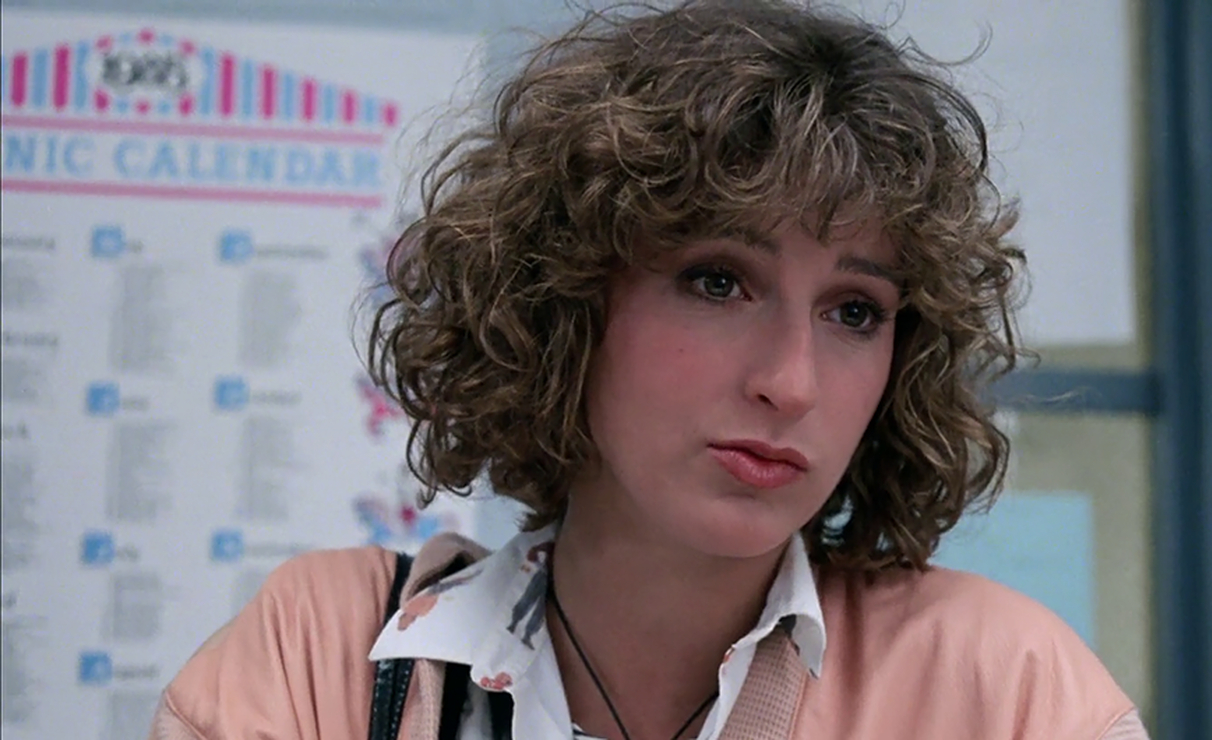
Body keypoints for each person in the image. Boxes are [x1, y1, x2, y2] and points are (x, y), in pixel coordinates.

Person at [150, 1, 1149, 738]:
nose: (791, 381)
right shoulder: (322, 661)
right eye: (718, 281)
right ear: (565, 298)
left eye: (855, 311)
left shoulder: (1003, 693)